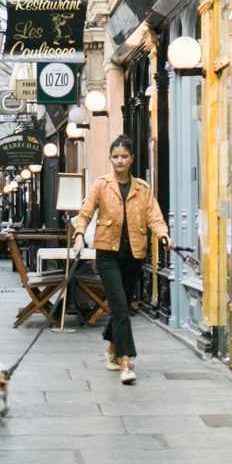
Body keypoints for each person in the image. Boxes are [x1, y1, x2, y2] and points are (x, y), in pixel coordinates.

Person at [70, 135, 168, 385]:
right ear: (110, 158)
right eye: (116, 157)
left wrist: (164, 235)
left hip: (134, 254)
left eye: (124, 156)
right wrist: (79, 236)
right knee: (121, 307)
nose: (120, 160)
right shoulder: (101, 186)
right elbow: (85, 214)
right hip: (107, 254)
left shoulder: (142, 189)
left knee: (121, 307)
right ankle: (126, 360)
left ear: (132, 158)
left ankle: (112, 350)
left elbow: (154, 216)